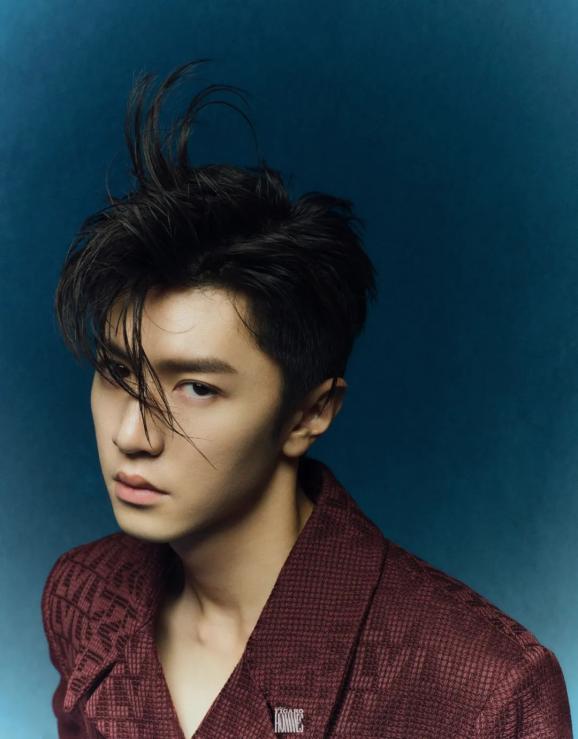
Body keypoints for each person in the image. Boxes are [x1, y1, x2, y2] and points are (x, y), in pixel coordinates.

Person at [41, 59, 573, 739]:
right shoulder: (83, 596)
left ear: (310, 413)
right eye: (117, 372)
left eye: (197, 387)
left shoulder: (484, 692)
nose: (132, 434)